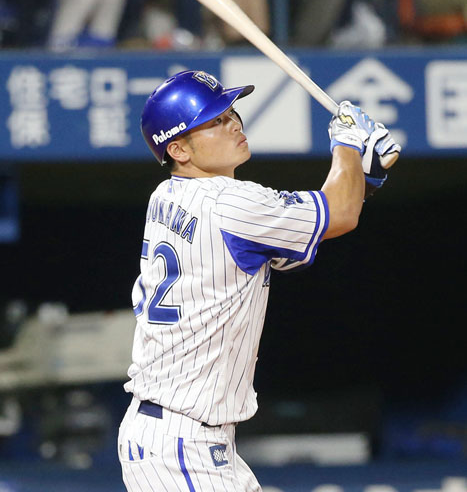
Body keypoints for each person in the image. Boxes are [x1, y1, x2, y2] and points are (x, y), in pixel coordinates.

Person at [117, 70, 399, 490]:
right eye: (214, 121)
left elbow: (301, 236)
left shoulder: (168, 195)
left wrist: (363, 175)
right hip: (180, 442)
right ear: (178, 149)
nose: (233, 123)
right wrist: (347, 144)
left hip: (181, 435)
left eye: (231, 113)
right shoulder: (231, 204)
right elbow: (339, 214)